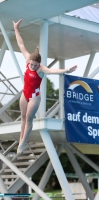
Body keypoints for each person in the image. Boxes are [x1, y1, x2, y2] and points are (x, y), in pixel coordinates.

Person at [13, 19, 77, 153]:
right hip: (25, 94)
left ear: (39, 64)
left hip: (35, 97)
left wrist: (66, 70)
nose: (33, 67)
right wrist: (16, 29)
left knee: (29, 120)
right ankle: (21, 140)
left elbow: (53, 71)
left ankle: (24, 142)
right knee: (23, 117)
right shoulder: (27, 59)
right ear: (30, 61)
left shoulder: (41, 69)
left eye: (36, 65)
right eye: (32, 65)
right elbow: (21, 44)